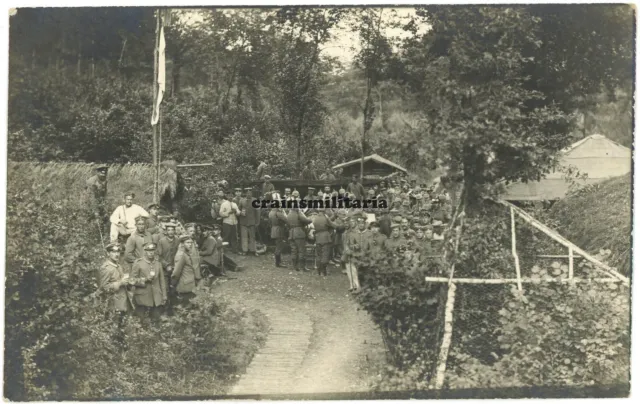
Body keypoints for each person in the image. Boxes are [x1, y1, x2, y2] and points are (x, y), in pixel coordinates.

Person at [98, 243, 133, 347]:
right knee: (113, 328)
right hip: (113, 303)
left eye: (118, 251)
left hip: (122, 302)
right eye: (113, 252)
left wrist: (127, 282)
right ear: (108, 253)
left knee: (122, 327)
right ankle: (112, 349)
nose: (116, 254)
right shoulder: (106, 268)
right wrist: (120, 283)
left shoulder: (118, 266)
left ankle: (121, 349)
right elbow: (104, 288)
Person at [130, 242, 166, 322]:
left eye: (153, 250)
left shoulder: (158, 263)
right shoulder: (138, 263)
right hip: (142, 298)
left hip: (156, 297)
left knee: (156, 320)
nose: (151, 252)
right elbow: (131, 280)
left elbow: (162, 281)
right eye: (148, 250)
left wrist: (164, 295)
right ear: (145, 251)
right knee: (141, 322)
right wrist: (145, 279)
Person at [171, 235, 200, 307]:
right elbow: (176, 272)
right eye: (187, 242)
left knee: (190, 306)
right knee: (186, 307)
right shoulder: (181, 255)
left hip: (190, 283)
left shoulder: (187, 253)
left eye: (191, 242)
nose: (190, 244)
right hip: (185, 284)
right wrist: (173, 284)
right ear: (182, 244)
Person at [344, 217, 370, 292]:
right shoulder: (353, 233)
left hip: (366, 255)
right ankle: (355, 285)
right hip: (356, 254)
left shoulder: (369, 233)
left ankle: (365, 286)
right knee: (351, 267)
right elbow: (349, 244)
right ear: (357, 224)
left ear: (365, 224)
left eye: (362, 223)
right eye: (359, 224)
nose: (361, 225)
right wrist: (354, 247)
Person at [312, 209, 340, 276]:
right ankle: (323, 271)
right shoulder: (325, 218)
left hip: (318, 237)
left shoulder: (315, 218)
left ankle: (319, 270)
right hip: (325, 237)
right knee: (325, 254)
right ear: (324, 211)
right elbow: (333, 225)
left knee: (319, 255)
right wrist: (339, 226)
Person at [287, 206, 312, 272]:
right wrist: (311, 219)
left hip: (291, 233)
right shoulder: (298, 213)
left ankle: (295, 266)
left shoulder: (289, 214)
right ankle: (302, 267)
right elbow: (306, 220)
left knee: (294, 250)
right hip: (299, 233)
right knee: (301, 250)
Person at [86, 164, 109, 232]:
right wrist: (95, 210)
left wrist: (104, 204)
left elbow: (104, 193)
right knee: (92, 217)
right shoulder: (92, 181)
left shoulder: (104, 180)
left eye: (105, 170)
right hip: (89, 202)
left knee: (104, 217)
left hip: (100, 201)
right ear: (98, 172)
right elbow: (91, 197)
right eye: (102, 170)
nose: (104, 172)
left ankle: (101, 232)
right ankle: (90, 233)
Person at [239, 187, 260, 256]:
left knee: (252, 236)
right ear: (245, 193)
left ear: (252, 193)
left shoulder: (255, 200)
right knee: (244, 237)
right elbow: (238, 210)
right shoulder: (241, 200)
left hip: (252, 222)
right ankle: (245, 250)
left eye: (250, 192)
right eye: (247, 192)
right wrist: (241, 213)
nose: (248, 194)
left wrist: (257, 222)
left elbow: (258, 212)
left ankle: (253, 250)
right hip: (243, 222)